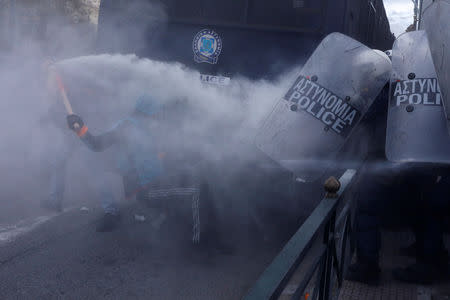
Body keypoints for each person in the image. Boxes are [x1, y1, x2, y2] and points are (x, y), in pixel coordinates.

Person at [66, 94, 164, 232]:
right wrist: (80, 128)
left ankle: (153, 204)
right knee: (91, 160)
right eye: (155, 114)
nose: (158, 118)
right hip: (133, 172)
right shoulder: (125, 128)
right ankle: (111, 212)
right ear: (146, 113)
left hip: (154, 177)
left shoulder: (154, 127)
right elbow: (97, 144)